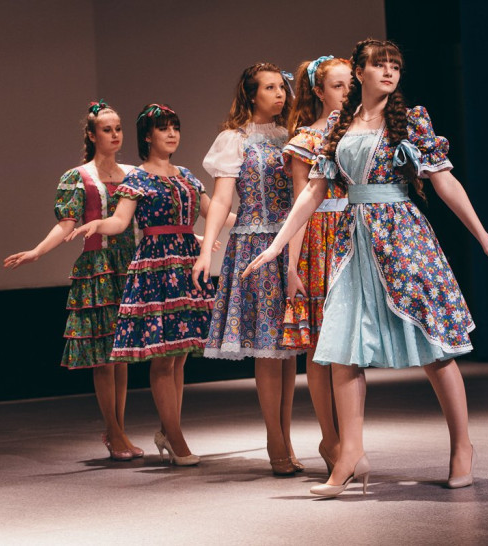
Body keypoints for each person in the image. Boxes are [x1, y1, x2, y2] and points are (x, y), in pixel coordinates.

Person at [243, 39, 488, 497]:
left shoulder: (410, 121)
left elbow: (445, 181)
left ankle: (462, 446)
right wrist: (278, 245)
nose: (390, 72)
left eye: (395, 65)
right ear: (360, 73)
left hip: (402, 238)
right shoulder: (339, 125)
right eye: (380, 65)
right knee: (343, 348)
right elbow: (313, 191)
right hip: (352, 242)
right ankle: (350, 454)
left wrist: (484, 237)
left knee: (434, 347)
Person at [67, 103, 226, 466]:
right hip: (157, 266)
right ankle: (176, 437)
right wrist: (98, 224)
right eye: (163, 128)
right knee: (164, 356)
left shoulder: (187, 176)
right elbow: (120, 221)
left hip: (187, 263)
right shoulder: (136, 178)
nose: (172, 134)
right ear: (148, 136)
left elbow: (215, 211)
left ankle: (170, 430)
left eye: (175, 127)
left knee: (180, 355)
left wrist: (257, 222)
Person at [4, 100, 142, 461]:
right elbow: (66, 224)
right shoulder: (78, 176)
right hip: (99, 268)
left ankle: (120, 430)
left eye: (118, 129)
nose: (115, 135)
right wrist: (37, 251)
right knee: (104, 357)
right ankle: (113, 432)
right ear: (93, 135)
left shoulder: (133, 173)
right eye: (107, 130)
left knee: (121, 356)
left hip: (129, 265)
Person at [192, 63, 304, 476]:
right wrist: (207, 249)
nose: (279, 94)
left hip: (291, 242)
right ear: (251, 94)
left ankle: (286, 436)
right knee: (267, 346)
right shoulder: (234, 139)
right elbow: (222, 199)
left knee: (287, 349)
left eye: (282, 87)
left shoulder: (293, 136)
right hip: (255, 245)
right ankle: (275, 439)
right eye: (270, 88)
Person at [282, 56, 352, 473]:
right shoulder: (307, 139)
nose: (346, 93)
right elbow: (300, 204)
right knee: (321, 347)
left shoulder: (359, 132)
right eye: (338, 86)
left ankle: (350, 439)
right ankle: (331, 438)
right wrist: (292, 266)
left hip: (354, 235)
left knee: (349, 346)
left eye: (350, 85)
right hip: (320, 241)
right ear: (320, 92)